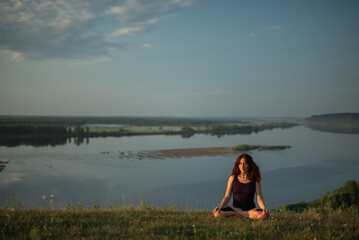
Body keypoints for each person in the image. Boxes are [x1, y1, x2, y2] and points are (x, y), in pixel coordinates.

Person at [213, 153, 270, 219]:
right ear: (238, 165)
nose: (242, 166)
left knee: (264, 215)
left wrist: (264, 208)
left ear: (249, 165)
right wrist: (221, 206)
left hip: (250, 210)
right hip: (235, 208)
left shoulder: (255, 180)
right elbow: (227, 196)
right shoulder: (232, 178)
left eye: (245, 164)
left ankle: (238, 214)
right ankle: (242, 215)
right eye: (240, 163)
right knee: (217, 214)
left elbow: (259, 198)